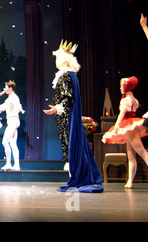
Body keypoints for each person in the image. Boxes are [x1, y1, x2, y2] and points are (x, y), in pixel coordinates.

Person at [44, 40, 103, 193]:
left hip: (67, 118)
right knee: (72, 147)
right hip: (68, 116)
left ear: (64, 59)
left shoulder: (65, 75)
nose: (56, 60)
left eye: (58, 57)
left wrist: (56, 108)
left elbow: (67, 97)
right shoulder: (71, 75)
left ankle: (75, 179)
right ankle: (77, 178)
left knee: (70, 147)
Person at [102, 76, 148, 188]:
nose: (120, 88)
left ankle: (130, 181)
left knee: (142, 152)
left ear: (126, 87)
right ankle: (130, 181)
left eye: (121, 86)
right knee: (131, 155)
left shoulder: (126, 100)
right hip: (131, 125)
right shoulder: (134, 100)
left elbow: (122, 113)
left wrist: (117, 125)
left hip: (128, 126)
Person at [0, 81, 24, 170]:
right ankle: (16, 165)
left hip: (13, 121)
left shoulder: (13, 97)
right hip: (13, 121)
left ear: (10, 88)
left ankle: (9, 163)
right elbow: (2, 107)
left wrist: (20, 109)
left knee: (5, 141)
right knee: (13, 143)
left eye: (6, 88)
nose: (5, 90)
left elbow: (17, 105)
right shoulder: (9, 98)